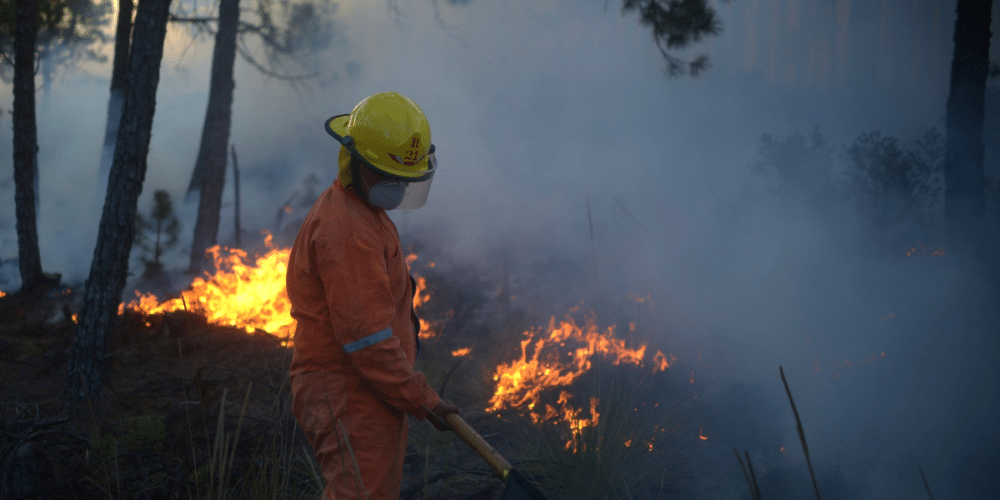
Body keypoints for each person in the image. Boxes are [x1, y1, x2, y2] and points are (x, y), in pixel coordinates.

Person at [286, 91, 460, 500]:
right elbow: (367, 340)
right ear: (354, 161)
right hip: (350, 388)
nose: (396, 188)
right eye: (387, 176)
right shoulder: (347, 232)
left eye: (402, 178)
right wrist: (422, 399)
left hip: (363, 387)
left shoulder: (361, 213)